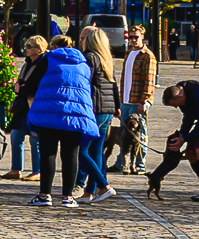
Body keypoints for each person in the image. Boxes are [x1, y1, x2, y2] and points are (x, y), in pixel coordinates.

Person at [26, 35, 96, 207]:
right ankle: (68, 197)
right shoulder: (83, 64)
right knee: (71, 155)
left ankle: (45, 195)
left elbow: (32, 83)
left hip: (49, 113)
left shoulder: (48, 60)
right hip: (76, 114)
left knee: (48, 153)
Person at [76, 25, 118, 204]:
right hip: (107, 110)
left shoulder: (90, 58)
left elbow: (85, 83)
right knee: (96, 151)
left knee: (82, 151)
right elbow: (113, 83)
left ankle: (104, 186)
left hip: (95, 109)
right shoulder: (106, 58)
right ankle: (89, 192)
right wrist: (116, 105)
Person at [4, 35, 48, 179]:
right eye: (27, 46)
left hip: (35, 105)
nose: (26, 49)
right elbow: (22, 80)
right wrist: (17, 86)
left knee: (35, 139)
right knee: (16, 135)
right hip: (22, 105)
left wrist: (22, 88)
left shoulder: (44, 63)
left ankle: (38, 171)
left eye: (30, 46)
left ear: (39, 49)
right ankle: (16, 169)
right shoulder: (27, 63)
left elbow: (38, 86)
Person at [119, 24, 157, 176]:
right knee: (123, 133)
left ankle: (140, 164)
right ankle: (122, 162)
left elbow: (149, 80)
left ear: (142, 37)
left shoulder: (147, 55)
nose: (133, 40)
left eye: (136, 37)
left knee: (140, 134)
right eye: (130, 37)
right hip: (126, 100)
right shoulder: (128, 54)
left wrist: (145, 101)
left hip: (138, 101)